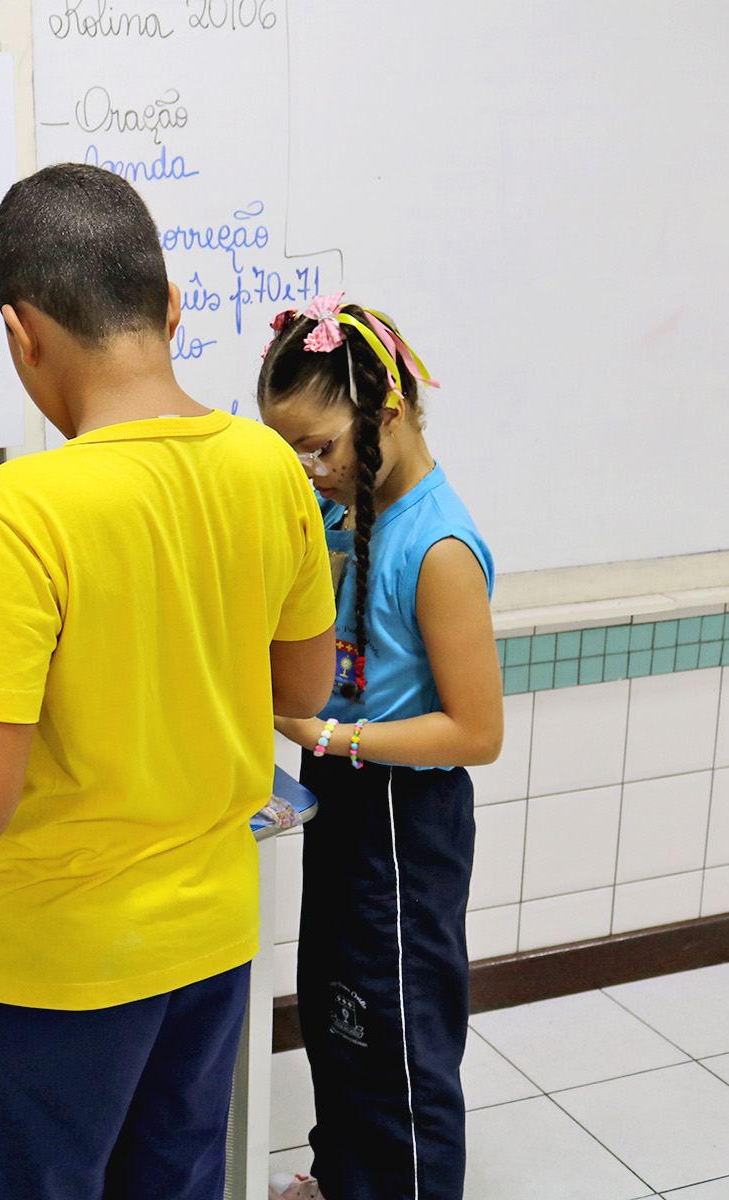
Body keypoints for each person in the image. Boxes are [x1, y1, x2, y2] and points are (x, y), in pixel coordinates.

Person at [0, 163, 339, 1200]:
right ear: (172, 306)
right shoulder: (269, 467)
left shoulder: (21, 510)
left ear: (21, 333)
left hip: (54, 964)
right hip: (210, 937)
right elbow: (303, 687)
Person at [257, 294, 504, 1200]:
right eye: (290, 452)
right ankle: (342, 1179)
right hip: (343, 788)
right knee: (338, 1010)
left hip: (406, 816)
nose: (309, 469)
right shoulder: (344, 516)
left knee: (399, 1036)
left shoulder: (437, 548)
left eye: (319, 447)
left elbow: (476, 733)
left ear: (388, 413)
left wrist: (328, 734)